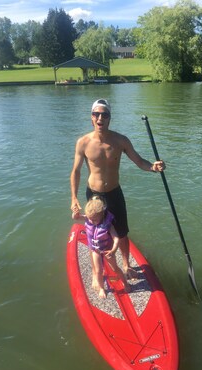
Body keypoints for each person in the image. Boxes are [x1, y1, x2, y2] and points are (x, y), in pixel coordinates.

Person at [70, 98, 165, 278]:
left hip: (114, 193)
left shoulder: (121, 141)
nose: (100, 118)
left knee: (122, 232)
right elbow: (76, 171)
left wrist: (153, 167)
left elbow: (139, 161)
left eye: (104, 115)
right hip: (94, 196)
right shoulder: (83, 142)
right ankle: (97, 272)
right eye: (96, 114)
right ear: (91, 118)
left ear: (109, 118)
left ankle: (126, 264)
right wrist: (74, 198)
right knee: (94, 232)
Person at [72, 197, 130, 299]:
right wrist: (75, 214)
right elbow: (76, 218)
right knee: (98, 271)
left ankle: (125, 283)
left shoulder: (108, 224)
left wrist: (113, 250)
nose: (92, 221)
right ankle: (102, 288)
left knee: (115, 268)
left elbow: (116, 238)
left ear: (102, 215)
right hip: (96, 251)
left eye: (94, 219)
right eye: (90, 219)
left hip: (108, 250)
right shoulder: (88, 218)